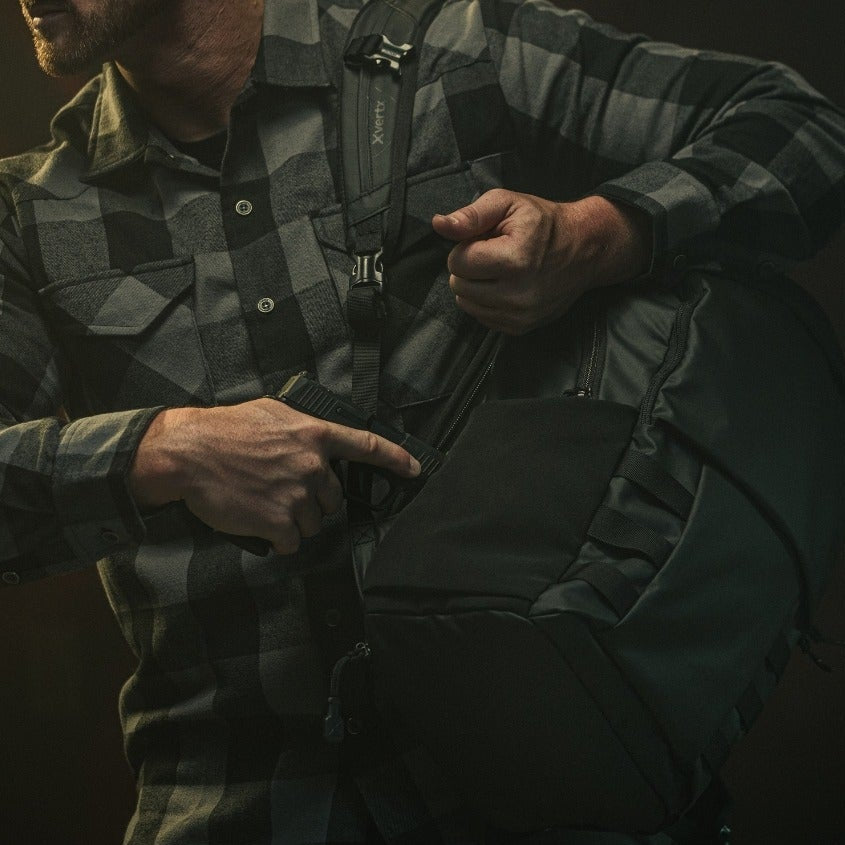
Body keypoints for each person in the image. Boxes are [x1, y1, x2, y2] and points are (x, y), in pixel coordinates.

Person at [3, 0, 844, 843]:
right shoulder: (28, 212)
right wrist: (163, 450)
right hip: (241, 809)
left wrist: (598, 235)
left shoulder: (456, 49)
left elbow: (806, 134)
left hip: (552, 789)